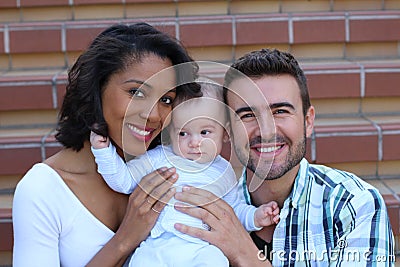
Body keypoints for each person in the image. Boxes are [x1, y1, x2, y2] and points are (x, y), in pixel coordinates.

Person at [173, 49, 395, 266]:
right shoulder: (203, 207)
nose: (266, 131)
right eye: (248, 115)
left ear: (308, 122)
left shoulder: (353, 204)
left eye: (280, 111)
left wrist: (246, 255)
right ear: (228, 130)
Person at [12, 22, 203, 266]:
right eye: (136, 93)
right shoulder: (43, 189)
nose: (154, 115)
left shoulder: (170, 170)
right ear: (97, 87)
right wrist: (125, 239)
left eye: (167, 99)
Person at [90, 80, 280, 266]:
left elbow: (233, 211)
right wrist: (104, 152)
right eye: (183, 133)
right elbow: (123, 181)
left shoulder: (223, 171)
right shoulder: (158, 158)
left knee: (216, 261)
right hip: (158, 244)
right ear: (171, 133)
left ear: (225, 133)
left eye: (205, 132)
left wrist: (256, 217)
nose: (194, 142)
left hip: (202, 247)